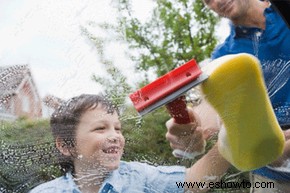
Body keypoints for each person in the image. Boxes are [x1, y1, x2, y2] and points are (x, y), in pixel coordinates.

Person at [166, 0, 290, 192]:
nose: (218, 1)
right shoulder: (225, 56)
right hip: (271, 173)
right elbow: (213, 111)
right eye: (208, 1)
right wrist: (191, 132)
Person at [29, 94, 230, 193]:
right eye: (100, 128)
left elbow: (194, 182)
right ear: (65, 145)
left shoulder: (139, 179)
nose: (115, 136)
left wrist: (230, 140)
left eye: (118, 128)